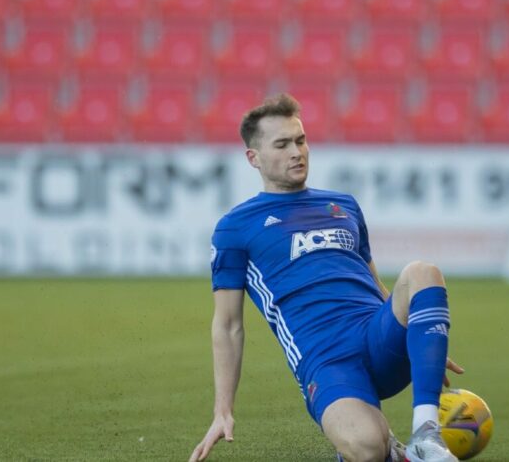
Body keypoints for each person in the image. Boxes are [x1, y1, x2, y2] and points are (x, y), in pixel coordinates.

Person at [189, 94, 462, 462]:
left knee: (423, 272)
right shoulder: (235, 228)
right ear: (253, 157)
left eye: (300, 140)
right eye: (282, 144)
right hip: (327, 362)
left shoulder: (343, 204)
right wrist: (223, 410)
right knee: (367, 448)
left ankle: (426, 435)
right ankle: (389, 450)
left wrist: (422, 334)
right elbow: (227, 325)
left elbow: (376, 285)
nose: (296, 152)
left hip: (377, 339)